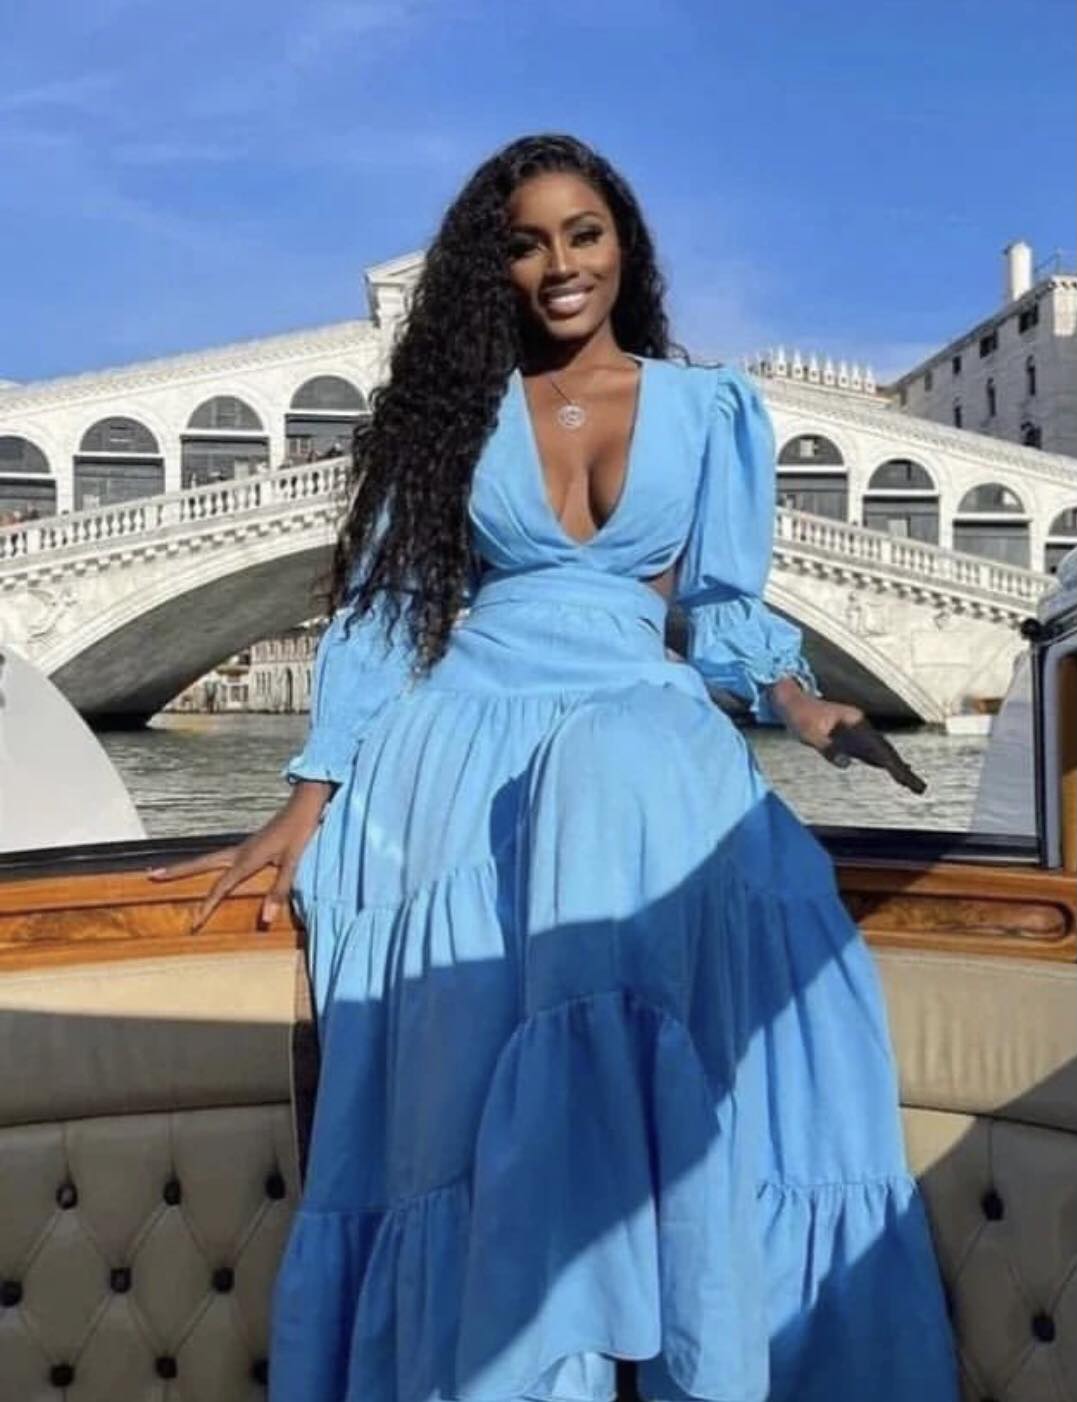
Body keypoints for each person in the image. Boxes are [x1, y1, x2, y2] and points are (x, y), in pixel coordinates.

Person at [150, 134, 957, 1402]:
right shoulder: (457, 416)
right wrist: (308, 800)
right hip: (468, 734)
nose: (560, 264)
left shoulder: (710, 409)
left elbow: (725, 608)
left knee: (673, 811)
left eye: (583, 233)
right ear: (498, 270)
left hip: (640, 712)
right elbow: (385, 608)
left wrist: (803, 707)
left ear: (623, 244)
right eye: (526, 244)